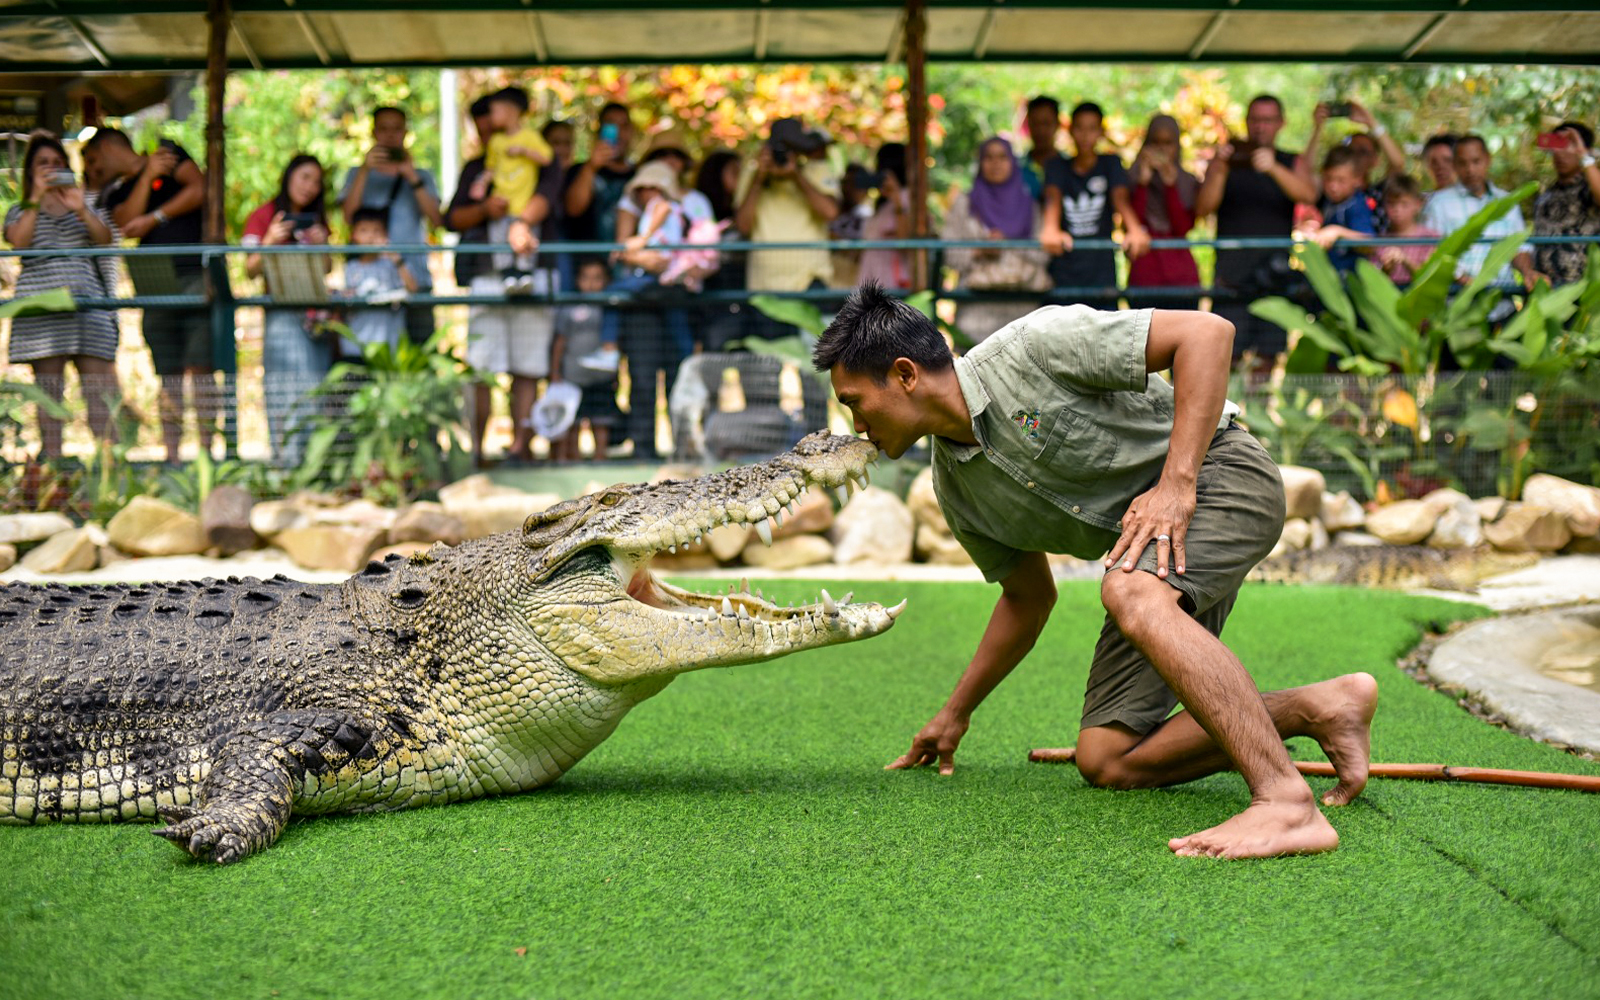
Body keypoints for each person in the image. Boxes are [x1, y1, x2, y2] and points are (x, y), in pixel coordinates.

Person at [813, 282, 1378, 860]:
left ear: (905, 375)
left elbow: (1208, 335)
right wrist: (955, 714)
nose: (856, 425)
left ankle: (1285, 802)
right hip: (1152, 554)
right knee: (1107, 759)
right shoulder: (956, 491)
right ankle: (1320, 707)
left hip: (1223, 473)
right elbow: (1027, 598)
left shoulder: (1034, 347)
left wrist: (1175, 485)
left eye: (855, 401)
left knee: (1128, 590)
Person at [86, 127, 215, 462]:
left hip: (195, 273)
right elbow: (127, 222)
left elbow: (200, 188)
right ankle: (171, 457)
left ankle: (206, 455)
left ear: (110, 148)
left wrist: (157, 215)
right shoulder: (114, 192)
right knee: (167, 373)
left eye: (93, 159)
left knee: (201, 367)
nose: (91, 170)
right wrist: (146, 177)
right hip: (154, 281)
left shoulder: (169, 152)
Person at [448, 94, 561, 465]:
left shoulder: (538, 155)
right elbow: (452, 218)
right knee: (481, 365)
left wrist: (521, 222)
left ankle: (520, 447)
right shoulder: (477, 167)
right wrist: (484, 209)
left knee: (527, 365)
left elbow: (548, 194)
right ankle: (477, 451)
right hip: (487, 275)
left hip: (534, 270)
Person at [3, 132, 121, 458]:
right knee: (49, 394)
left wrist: (81, 209)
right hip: (43, 312)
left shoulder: (87, 204)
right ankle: (52, 468)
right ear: (31, 172)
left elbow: (105, 239)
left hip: (87, 307)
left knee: (100, 394)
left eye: (58, 162)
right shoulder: (19, 209)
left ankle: (109, 469)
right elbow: (19, 243)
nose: (52, 168)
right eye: (43, 164)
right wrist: (37, 197)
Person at [579, 160, 697, 458]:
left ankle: (681, 447)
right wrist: (641, 255)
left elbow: (656, 249)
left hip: (670, 294)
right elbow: (631, 254)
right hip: (644, 301)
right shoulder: (638, 210)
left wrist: (640, 246)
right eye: (642, 188)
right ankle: (644, 447)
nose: (647, 193)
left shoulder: (666, 207)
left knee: (677, 371)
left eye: (652, 188)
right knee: (643, 377)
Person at [1194, 95, 1317, 363]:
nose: (1261, 126)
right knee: (1227, 359)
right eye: (1256, 120)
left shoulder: (1289, 161)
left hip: (1274, 278)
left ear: (1281, 123)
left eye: (1268, 120)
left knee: (1268, 360)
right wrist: (1219, 168)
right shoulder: (1229, 160)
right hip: (1231, 279)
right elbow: (1202, 208)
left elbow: (1308, 195)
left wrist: (1273, 168)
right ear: (1247, 122)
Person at [242, 153, 334, 463]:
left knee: (314, 387)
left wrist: (322, 244)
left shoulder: (318, 220)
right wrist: (269, 240)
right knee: (283, 390)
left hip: (315, 316)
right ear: (289, 176)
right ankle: (285, 461)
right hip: (281, 313)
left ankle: (313, 465)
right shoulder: (264, 215)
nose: (310, 187)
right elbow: (250, 269)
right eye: (305, 177)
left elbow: (327, 268)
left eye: (317, 182)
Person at [337, 106, 443, 345]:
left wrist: (411, 175)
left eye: (396, 129)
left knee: (420, 353)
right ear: (374, 133)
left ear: (405, 132)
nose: (390, 135)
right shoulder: (356, 174)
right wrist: (365, 170)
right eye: (384, 129)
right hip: (370, 284)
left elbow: (437, 220)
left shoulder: (422, 175)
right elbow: (347, 218)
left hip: (415, 279)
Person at [1038, 102, 1149, 309]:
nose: (1085, 135)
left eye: (1092, 128)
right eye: (1079, 127)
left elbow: (1120, 198)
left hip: (1101, 270)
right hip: (1064, 270)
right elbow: (1053, 197)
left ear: (1101, 132)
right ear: (1070, 131)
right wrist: (1051, 229)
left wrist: (1134, 229)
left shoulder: (1110, 163)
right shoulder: (1056, 166)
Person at [939, 136, 1050, 343]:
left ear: (1013, 162)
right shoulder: (965, 204)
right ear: (980, 163)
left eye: (1002, 157)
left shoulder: (1029, 206)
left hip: (1022, 311)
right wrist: (979, 251)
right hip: (975, 312)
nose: (995, 163)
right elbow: (949, 254)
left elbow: (1043, 254)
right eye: (988, 157)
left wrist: (1007, 244)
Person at [734, 116, 840, 298]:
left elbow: (830, 213)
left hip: (810, 281)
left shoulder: (817, 171)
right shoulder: (752, 176)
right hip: (764, 287)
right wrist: (759, 179)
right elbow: (743, 226)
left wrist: (796, 177)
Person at [1422, 134, 1536, 289]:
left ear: (1488, 160)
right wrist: (1461, 278)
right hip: (1456, 302)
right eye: (1463, 163)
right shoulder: (1439, 204)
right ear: (1455, 165)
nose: (1470, 170)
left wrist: (1527, 272)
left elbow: (1519, 247)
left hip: (1501, 300)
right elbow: (1432, 252)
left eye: (1476, 161)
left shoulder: (1506, 202)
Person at [547, 257, 621, 462]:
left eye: (597, 278)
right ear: (578, 280)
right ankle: (572, 459)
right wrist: (555, 372)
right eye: (586, 278)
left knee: (601, 419)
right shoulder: (569, 308)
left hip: (601, 378)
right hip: (573, 377)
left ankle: (600, 458)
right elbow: (559, 342)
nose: (591, 283)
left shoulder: (609, 307)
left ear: (606, 281)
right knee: (573, 421)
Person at [1126, 114, 1201, 309]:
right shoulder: (1131, 179)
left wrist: (1170, 187)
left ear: (1177, 146)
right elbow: (1133, 223)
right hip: (1145, 276)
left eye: (1168, 143)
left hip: (1182, 279)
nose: (1162, 149)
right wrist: (1143, 184)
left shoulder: (1187, 182)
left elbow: (1182, 227)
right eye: (1156, 143)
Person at [1298, 100, 1406, 231]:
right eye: (1349, 149)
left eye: (1363, 151)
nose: (1355, 155)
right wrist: (1317, 128)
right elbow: (1306, 171)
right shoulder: (1331, 190)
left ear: (1375, 160)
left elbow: (1398, 163)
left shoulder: (1378, 192)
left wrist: (1371, 122)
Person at [484, 85, 553, 284]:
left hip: (524, 207)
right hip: (501, 205)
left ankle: (525, 275)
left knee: (526, 241)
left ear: (512, 110)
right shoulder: (496, 141)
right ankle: (507, 275)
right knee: (499, 240)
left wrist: (523, 151)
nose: (491, 116)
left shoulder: (530, 137)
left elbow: (547, 158)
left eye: (494, 111)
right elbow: (490, 167)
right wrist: (481, 183)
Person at [341, 207, 417, 354]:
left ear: (386, 235)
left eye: (376, 231)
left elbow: (413, 288)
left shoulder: (393, 264)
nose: (370, 236)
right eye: (364, 230)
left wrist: (396, 259)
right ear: (354, 235)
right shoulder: (350, 268)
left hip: (389, 344)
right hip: (358, 344)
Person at [1532, 122, 1600, 287]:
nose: (1559, 153)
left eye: (1568, 146)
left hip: (1583, 295)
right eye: (1556, 146)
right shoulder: (1545, 196)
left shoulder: (1590, 188)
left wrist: (1584, 155)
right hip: (1546, 293)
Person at [564, 101, 637, 252]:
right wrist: (591, 167)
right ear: (599, 131)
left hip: (627, 262)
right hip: (586, 265)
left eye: (624, 126)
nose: (618, 133)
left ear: (631, 132)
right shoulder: (579, 170)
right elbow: (573, 209)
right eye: (611, 125)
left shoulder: (639, 174)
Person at [1300, 146, 1377, 274]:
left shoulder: (1356, 206)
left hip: (1350, 280)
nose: (1333, 186)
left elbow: (1369, 243)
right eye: (1329, 179)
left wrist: (1337, 232)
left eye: (1341, 180)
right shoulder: (1329, 201)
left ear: (1357, 180)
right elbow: (1307, 168)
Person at [857, 142, 914, 290]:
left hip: (892, 286)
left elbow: (905, 241)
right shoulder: (882, 205)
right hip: (873, 284)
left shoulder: (907, 199)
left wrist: (896, 196)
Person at [1376, 175, 1440, 283]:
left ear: (1418, 205)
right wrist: (1387, 269)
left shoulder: (1430, 238)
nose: (1397, 210)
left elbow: (1430, 277)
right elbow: (1374, 281)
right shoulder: (1379, 240)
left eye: (1404, 204)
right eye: (1391, 204)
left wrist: (1405, 261)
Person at [1021, 95, 1070, 202]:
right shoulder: (1015, 169)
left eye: (1046, 123)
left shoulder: (1071, 168)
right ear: (1028, 125)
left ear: (1057, 124)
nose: (1041, 130)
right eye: (1035, 123)